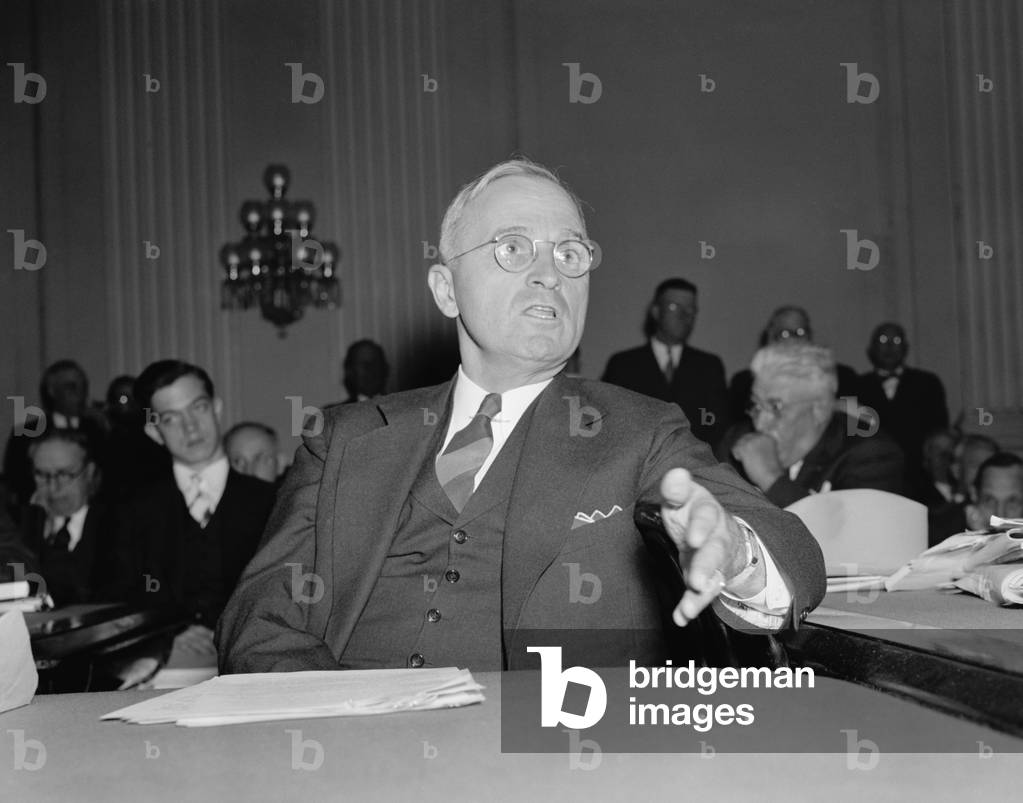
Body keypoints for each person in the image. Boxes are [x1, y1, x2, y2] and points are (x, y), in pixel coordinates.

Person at [217, 158, 825, 674]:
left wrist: (736, 555)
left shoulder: (641, 432)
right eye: (513, 248)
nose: (549, 273)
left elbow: (791, 552)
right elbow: (257, 622)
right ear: (446, 289)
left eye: (570, 253)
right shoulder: (345, 439)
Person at [102, 360, 276, 646]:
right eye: (171, 418)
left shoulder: (270, 501)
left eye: (198, 408)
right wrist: (166, 635)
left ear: (217, 408)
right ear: (154, 432)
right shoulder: (132, 511)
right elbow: (118, 599)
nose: (191, 427)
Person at [718, 341, 905, 507]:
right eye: (756, 405)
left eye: (775, 407)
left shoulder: (872, 457)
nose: (759, 423)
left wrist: (771, 479)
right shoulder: (738, 441)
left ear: (819, 411)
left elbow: (848, 542)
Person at [602, 278, 729, 445]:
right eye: (674, 307)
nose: (684, 316)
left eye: (691, 310)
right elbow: (611, 424)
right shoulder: (623, 365)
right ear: (656, 311)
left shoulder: (709, 367)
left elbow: (719, 427)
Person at [0, 429, 107, 605]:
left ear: (89, 472)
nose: (53, 486)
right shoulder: (21, 525)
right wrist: (36, 526)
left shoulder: (116, 522)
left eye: (64, 474)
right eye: (42, 474)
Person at [2, 360, 109, 517]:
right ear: (52, 391)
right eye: (71, 387)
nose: (80, 393)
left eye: (83, 386)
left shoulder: (98, 430)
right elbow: (16, 481)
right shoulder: (26, 433)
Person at [856, 323, 949, 494]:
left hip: (920, 476)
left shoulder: (927, 383)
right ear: (871, 349)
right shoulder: (856, 386)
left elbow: (939, 429)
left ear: (906, 348)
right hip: (872, 475)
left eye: (896, 340)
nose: (890, 346)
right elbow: (852, 433)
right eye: (883, 340)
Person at [727, 306, 859, 425]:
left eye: (800, 332)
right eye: (785, 333)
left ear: (810, 336)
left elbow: (854, 426)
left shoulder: (843, 377)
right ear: (771, 338)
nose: (793, 339)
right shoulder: (745, 382)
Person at [100, 374, 169, 502]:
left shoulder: (155, 437)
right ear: (112, 404)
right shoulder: (103, 440)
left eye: (136, 397)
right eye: (124, 399)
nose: (132, 403)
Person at [965, 452, 1023, 531]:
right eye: (990, 501)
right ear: (974, 494)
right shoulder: (947, 537)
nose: (1000, 515)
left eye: (1012, 502)